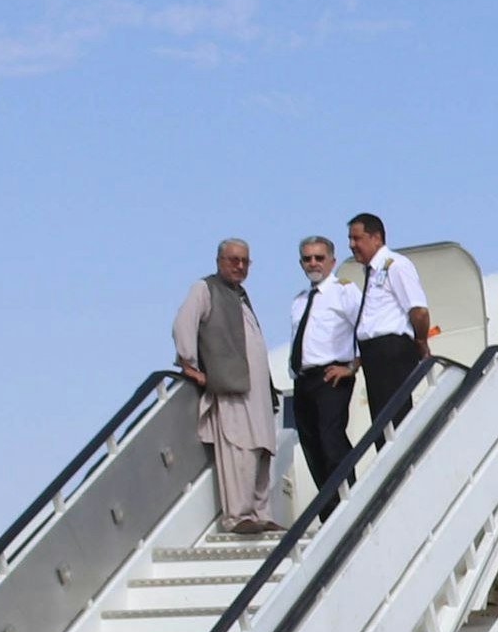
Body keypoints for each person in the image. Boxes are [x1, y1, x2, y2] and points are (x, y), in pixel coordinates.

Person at [172, 239, 281, 535]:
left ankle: (261, 512)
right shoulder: (205, 288)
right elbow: (184, 324)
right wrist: (190, 365)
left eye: (245, 261)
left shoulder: (241, 295)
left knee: (262, 448)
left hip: (256, 391)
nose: (239, 266)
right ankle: (238, 515)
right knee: (239, 449)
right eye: (233, 260)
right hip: (231, 388)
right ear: (219, 260)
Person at [282, 233, 362, 505]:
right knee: (311, 445)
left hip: (331, 376)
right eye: (307, 259)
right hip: (304, 379)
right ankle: (329, 508)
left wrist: (352, 367)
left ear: (332, 261)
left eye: (319, 258)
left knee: (332, 442)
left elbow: (364, 328)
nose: (313, 263)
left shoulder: (344, 290)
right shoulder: (300, 300)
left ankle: (348, 502)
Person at [348, 213, 435, 430]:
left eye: (357, 238)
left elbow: (419, 311)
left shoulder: (396, 265)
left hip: (391, 349)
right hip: (373, 353)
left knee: (394, 418)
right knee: (381, 422)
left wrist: (421, 341)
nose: (351, 245)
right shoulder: (372, 271)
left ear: (376, 238)